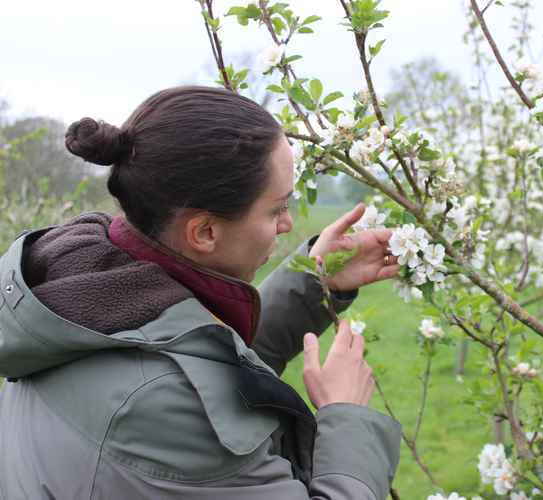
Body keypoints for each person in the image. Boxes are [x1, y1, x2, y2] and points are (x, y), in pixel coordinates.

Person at [0, 86, 402, 499]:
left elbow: (188, 356)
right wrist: (347, 416)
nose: (287, 223)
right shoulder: (156, 407)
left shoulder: (80, 294)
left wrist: (316, 280)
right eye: (276, 208)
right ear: (205, 232)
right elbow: (182, 390)